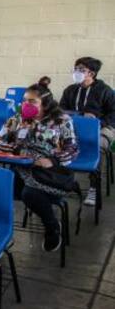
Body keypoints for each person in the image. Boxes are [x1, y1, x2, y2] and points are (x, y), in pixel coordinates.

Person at [0, 78, 78, 252]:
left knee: (30, 194)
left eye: (32, 101)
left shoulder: (61, 120)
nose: (26, 105)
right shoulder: (17, 119)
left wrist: (52, 160)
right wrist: (17, 150)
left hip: (50, 171)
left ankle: (52, 227)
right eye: (24, 101)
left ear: (45, 103)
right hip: (21, 167)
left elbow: (72, 149)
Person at [59, 57, 115, 206]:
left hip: (103, 127)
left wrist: (97, 123)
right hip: (74, 128)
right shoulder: (70, 90)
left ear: (92, 73)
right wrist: (80, 115)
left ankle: (94, 188)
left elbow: (113, 114)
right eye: (75, 69)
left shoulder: (105, 91)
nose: (76, 72)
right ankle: (65, 182)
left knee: (96, 145)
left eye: (81, 70)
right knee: (56, 141)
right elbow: (61, 110)